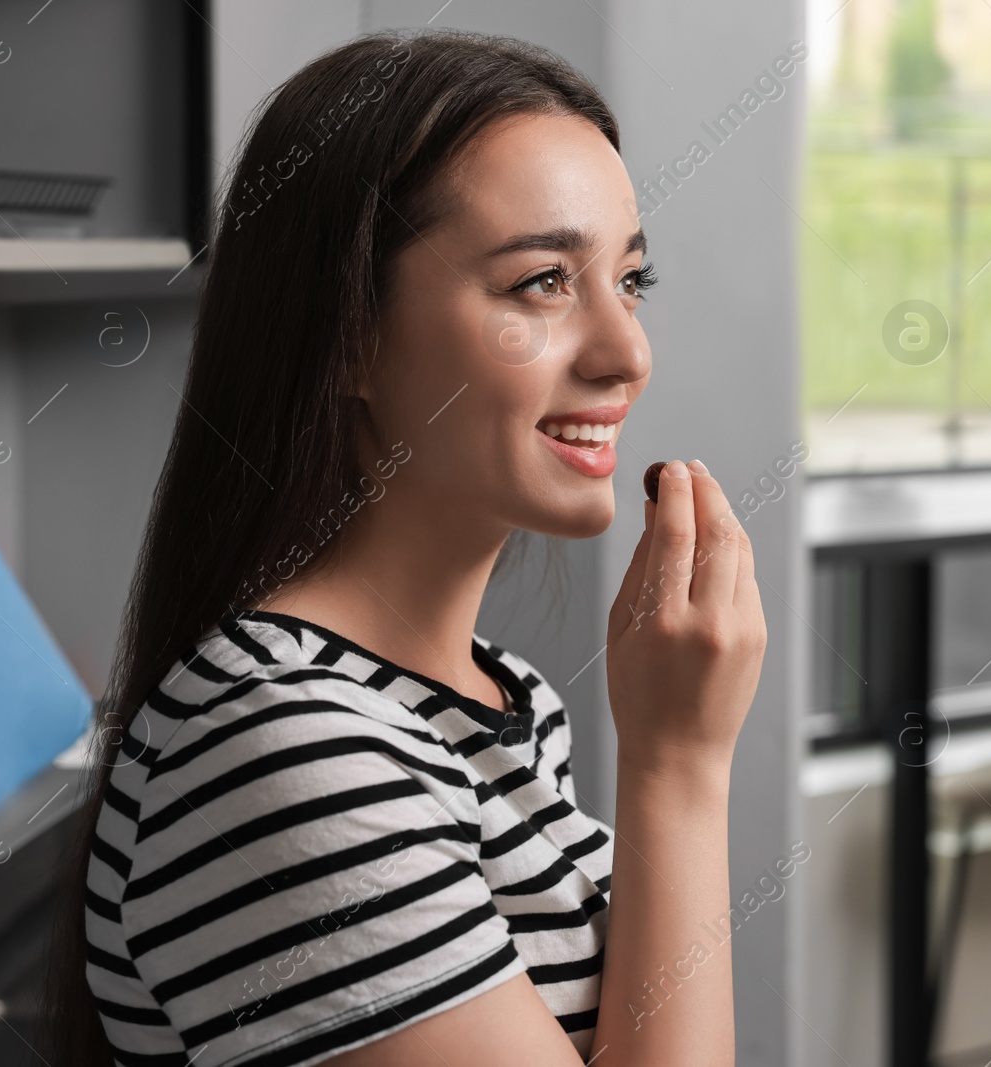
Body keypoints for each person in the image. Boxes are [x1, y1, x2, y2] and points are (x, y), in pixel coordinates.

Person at [45, 29, 766, 1067]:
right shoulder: (286, 749)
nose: (626, 352)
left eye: (629, 280)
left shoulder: (497, 698)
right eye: (541, 284)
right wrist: (679, 766)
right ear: (344, 332)